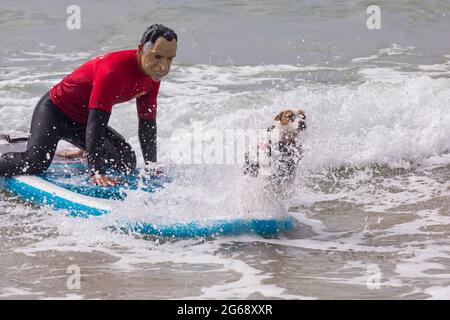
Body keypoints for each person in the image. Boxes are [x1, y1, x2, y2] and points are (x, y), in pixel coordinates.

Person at [0, 24, 177, 186]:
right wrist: (97, 172)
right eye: (157, 56)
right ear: (141, 49)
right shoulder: (113, 70)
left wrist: (151, 165)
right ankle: (23, 143)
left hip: (83, 122)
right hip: (55, 112)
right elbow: (96, 123)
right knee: (35, 163)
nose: (164, 67)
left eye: (170, 59)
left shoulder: (152, 75)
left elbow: (147, 123)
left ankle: (80, 150)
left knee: (126, 161)